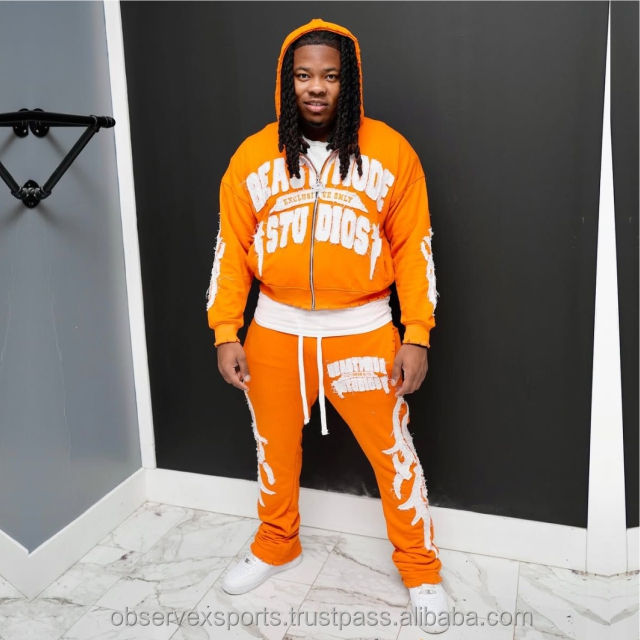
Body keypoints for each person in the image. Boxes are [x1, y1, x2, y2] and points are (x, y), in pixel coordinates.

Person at [206, 18, 449, 634]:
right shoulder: (253, 156)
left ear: (350, 82)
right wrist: (226, 330)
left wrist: (416, 334)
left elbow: (415, 249)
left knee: (394, 455)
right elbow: (230, 252)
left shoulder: (391, 152)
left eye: (330, 76)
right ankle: (276, 543)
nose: (316, 87)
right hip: (275, 330)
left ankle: (420, 570)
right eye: (304, 75)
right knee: (273, 452)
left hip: (362, 331)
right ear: (287, 82)